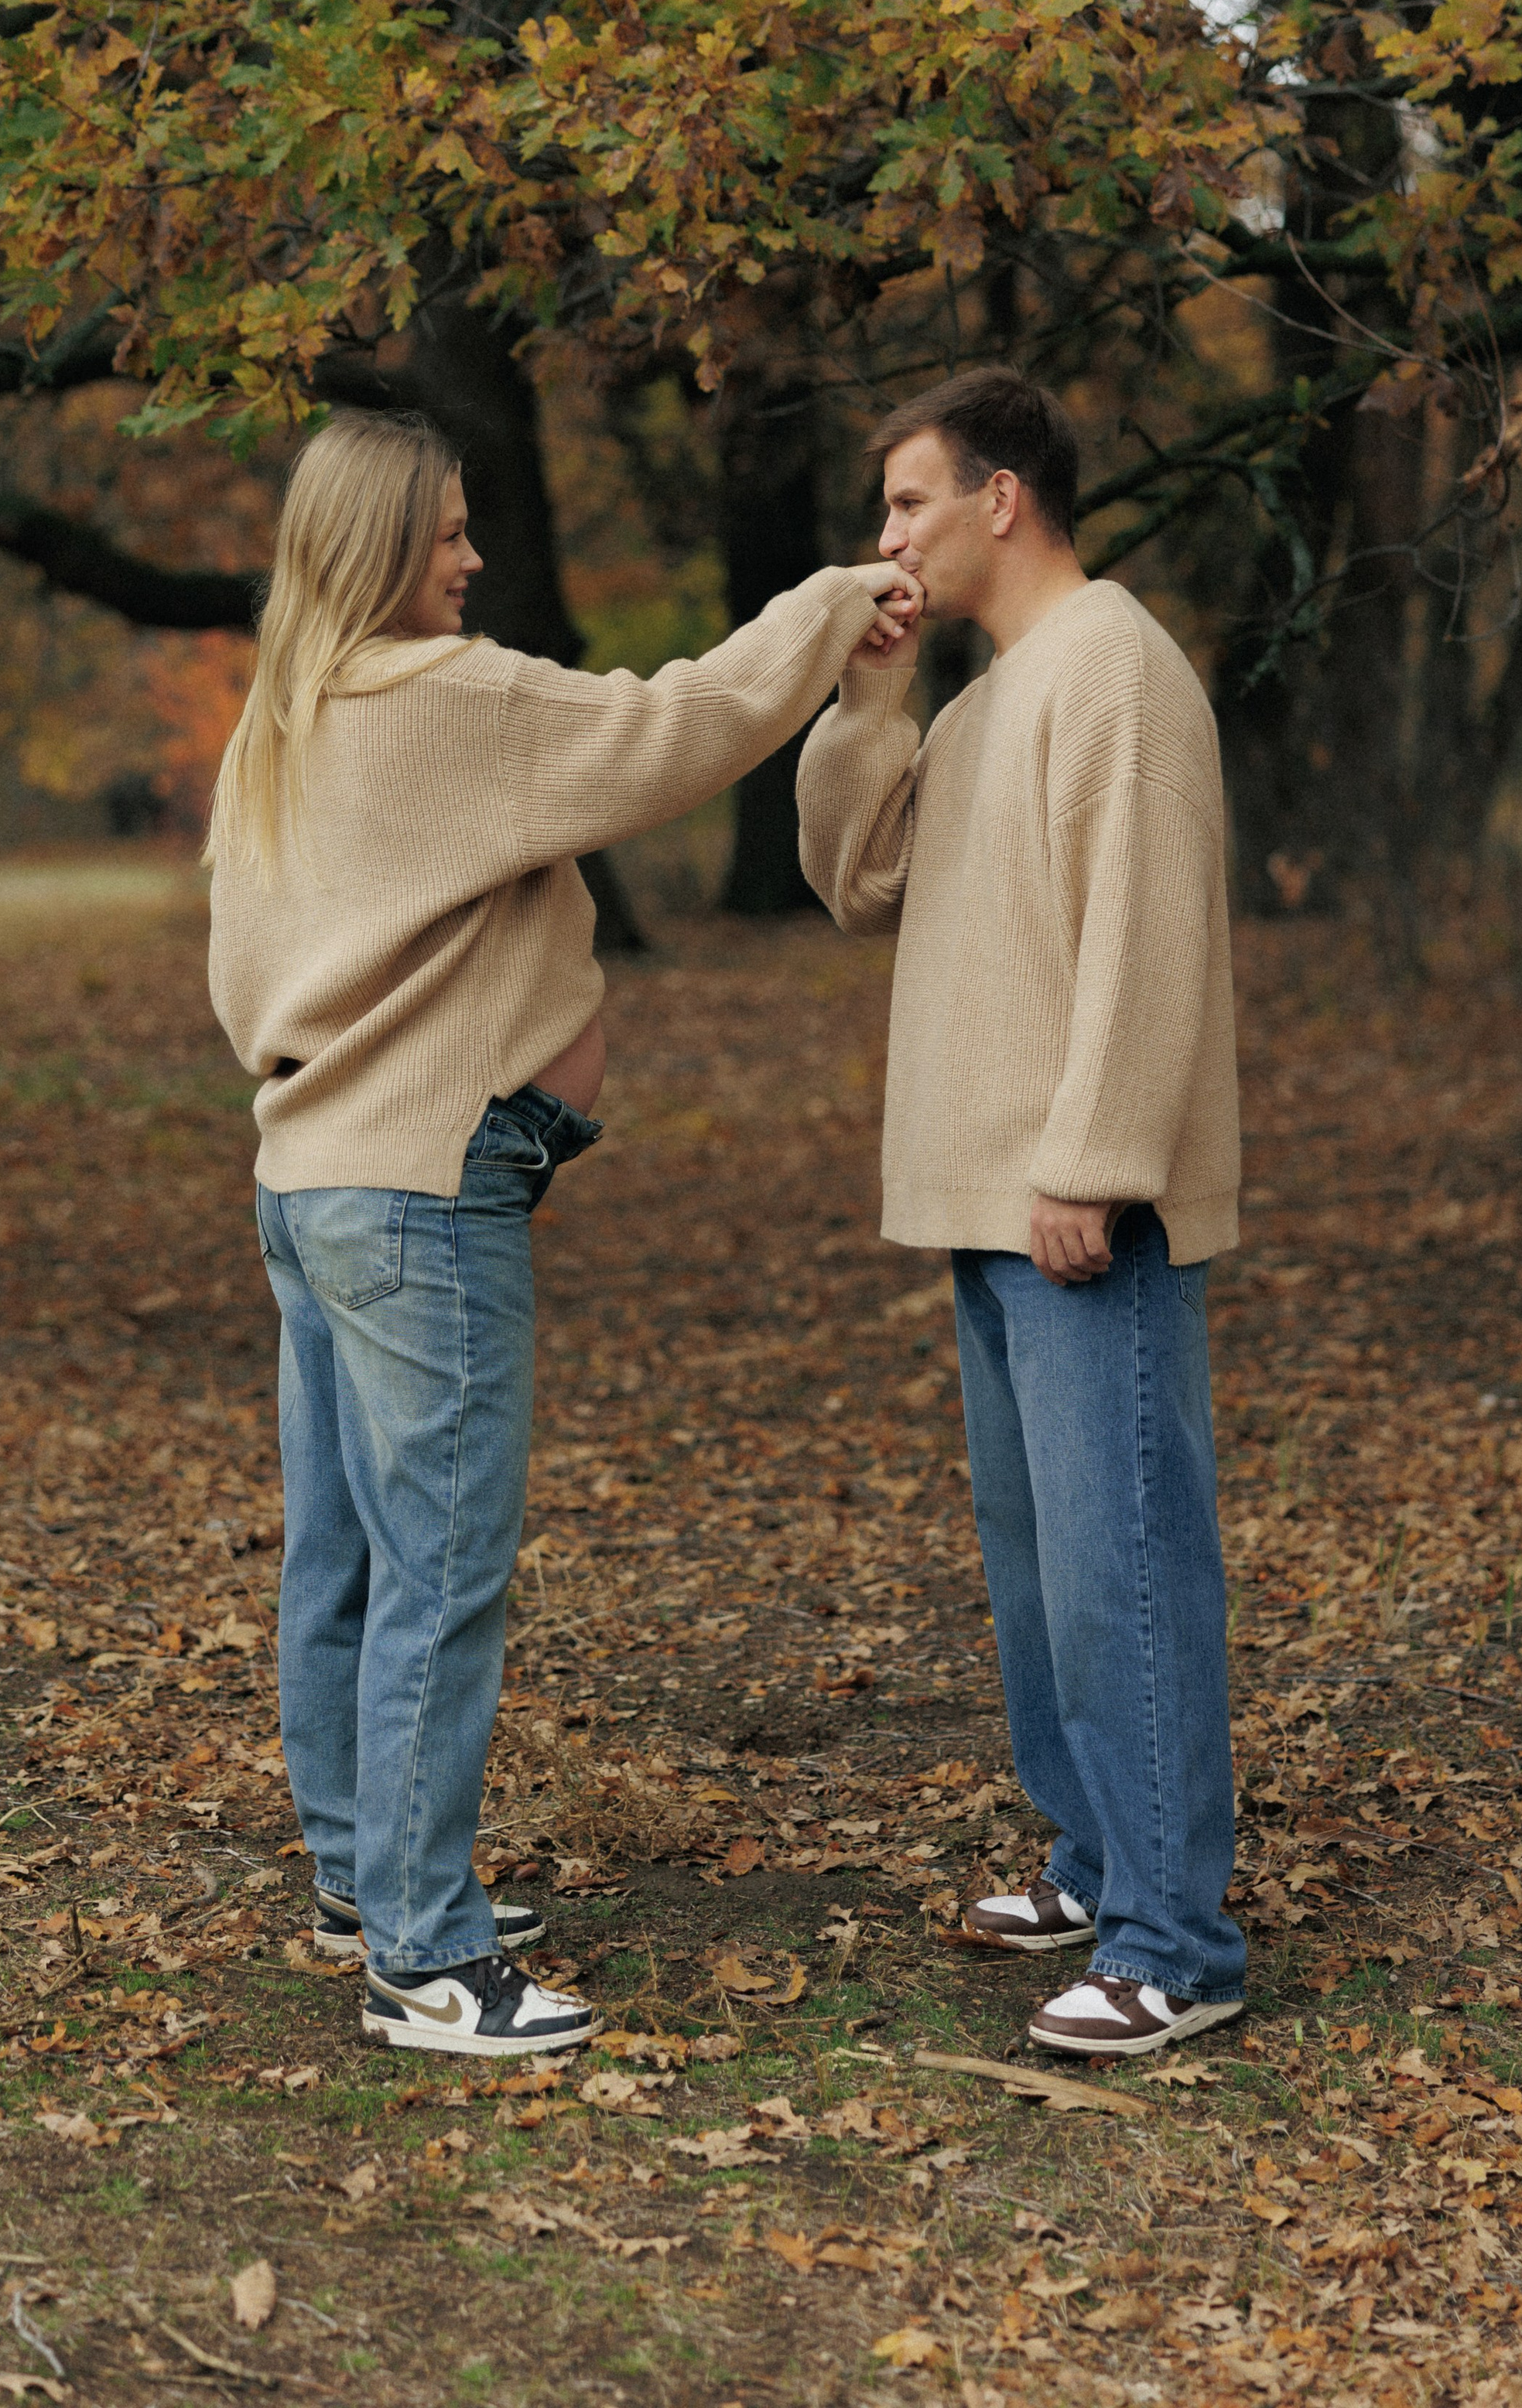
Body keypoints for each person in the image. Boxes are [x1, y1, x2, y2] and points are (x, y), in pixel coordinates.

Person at [208, 407, 918, 2058]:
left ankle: (363, 1880)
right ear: (380, 547)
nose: (472, 557)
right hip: (414, 1189)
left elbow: (250, 982)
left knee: (345, 1555)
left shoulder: (285, 717)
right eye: (448, 531)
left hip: (312, 1177)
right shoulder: (446, 699)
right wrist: (833, 605)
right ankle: (425, 1958)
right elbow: (678, 727)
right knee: (440, 1567)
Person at [796, 367, 1245, 2059]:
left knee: (1123, 1561)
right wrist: (869, 696)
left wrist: (1097, 1156)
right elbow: (855, 880)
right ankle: (1093, 1860)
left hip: (1072, 1200)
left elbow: (1148, 925)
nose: (889, 533)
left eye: (909, 500)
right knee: (1041, 1562)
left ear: (1002, 496)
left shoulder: (1113, 665)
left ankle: (1173, 1941)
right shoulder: (985, 699)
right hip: (983, 1198)